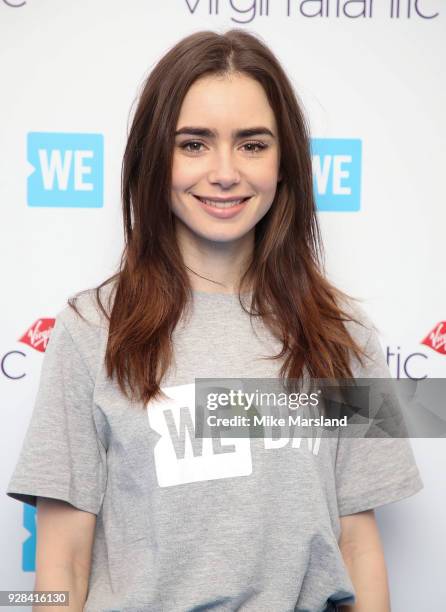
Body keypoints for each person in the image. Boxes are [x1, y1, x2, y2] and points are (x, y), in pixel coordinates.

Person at [6, 29, 423, 612]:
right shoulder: (90, 330)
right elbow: (63, 565)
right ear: (155, 158)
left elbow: (357, 547)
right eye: (194, 144)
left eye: (252, 144)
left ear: (286, 163)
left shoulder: (341, 336)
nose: (225, 172)